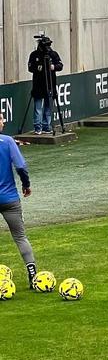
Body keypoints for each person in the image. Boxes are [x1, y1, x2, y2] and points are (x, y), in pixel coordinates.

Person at [0, 113, 37, 289]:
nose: (3, 121)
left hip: (9, 199)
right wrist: (26, 185)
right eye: (0, 119)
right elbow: (21, 166)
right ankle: (32, 274)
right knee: (20, 236)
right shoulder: (7, 141)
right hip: (9, 199)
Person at [27, 36, 63, 135]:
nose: (47, 47)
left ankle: (47, 126)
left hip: (50, 84)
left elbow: (60, 66)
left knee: (48, 106)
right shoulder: (34, 55)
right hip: (38, 85)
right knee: (38, 107)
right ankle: (38, 127)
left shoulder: (53, 54)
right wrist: (39, 68)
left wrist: (53, 67)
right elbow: (30, 68)